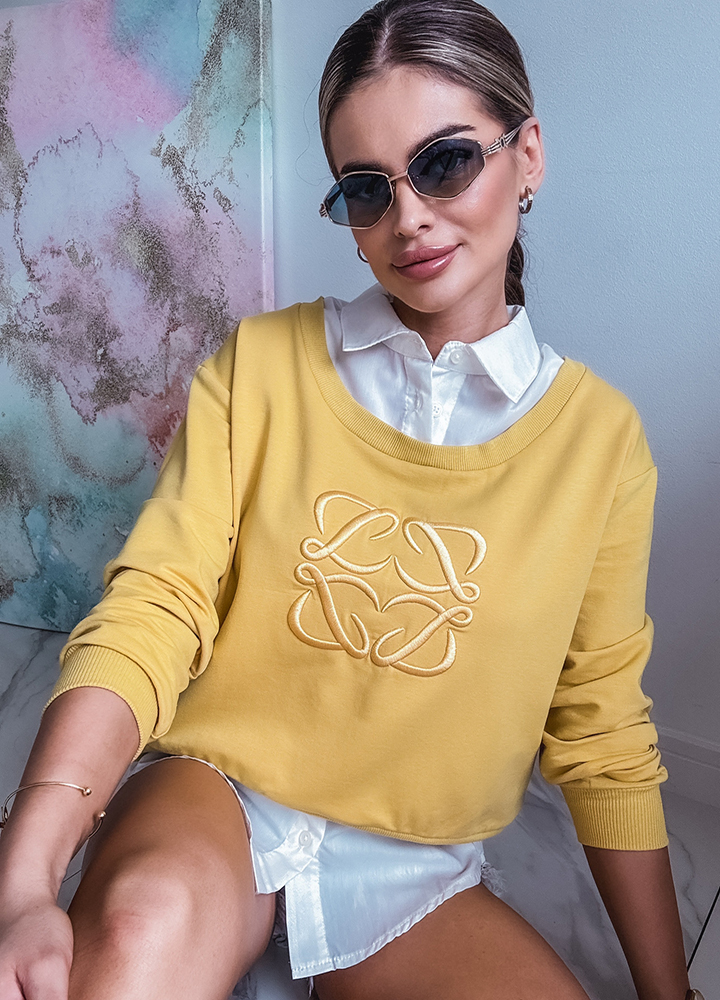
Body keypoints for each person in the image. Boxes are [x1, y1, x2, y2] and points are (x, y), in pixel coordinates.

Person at [0, 2, 700, 998]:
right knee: (135, 934)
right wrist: (25, 877)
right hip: (216, 792)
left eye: (445, 162)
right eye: (368, 189)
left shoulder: (601, 446)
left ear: (528, 155)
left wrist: (669, 992)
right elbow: (156, 605)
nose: (408, 217)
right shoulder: (261, 366)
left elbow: (601, 737)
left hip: (418, 868)